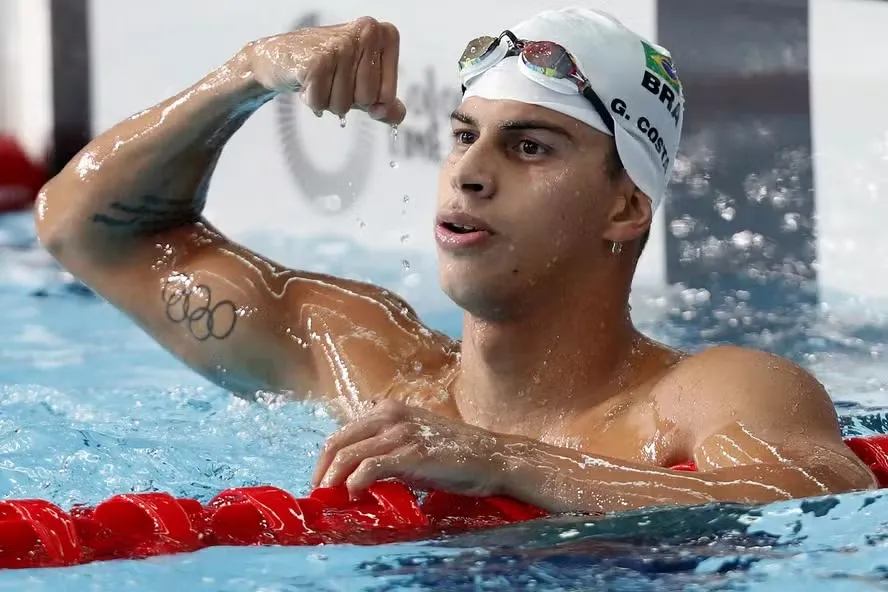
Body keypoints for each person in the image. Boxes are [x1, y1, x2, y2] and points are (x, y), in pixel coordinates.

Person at [35, 7, 876, 515]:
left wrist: (511, 465)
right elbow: (86, 231)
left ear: (626, 206)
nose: (471, 173)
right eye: (465, 136)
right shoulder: (365, 369)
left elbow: (822, 491)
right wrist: (245, 75)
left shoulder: (709, 394)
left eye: (531, 147)